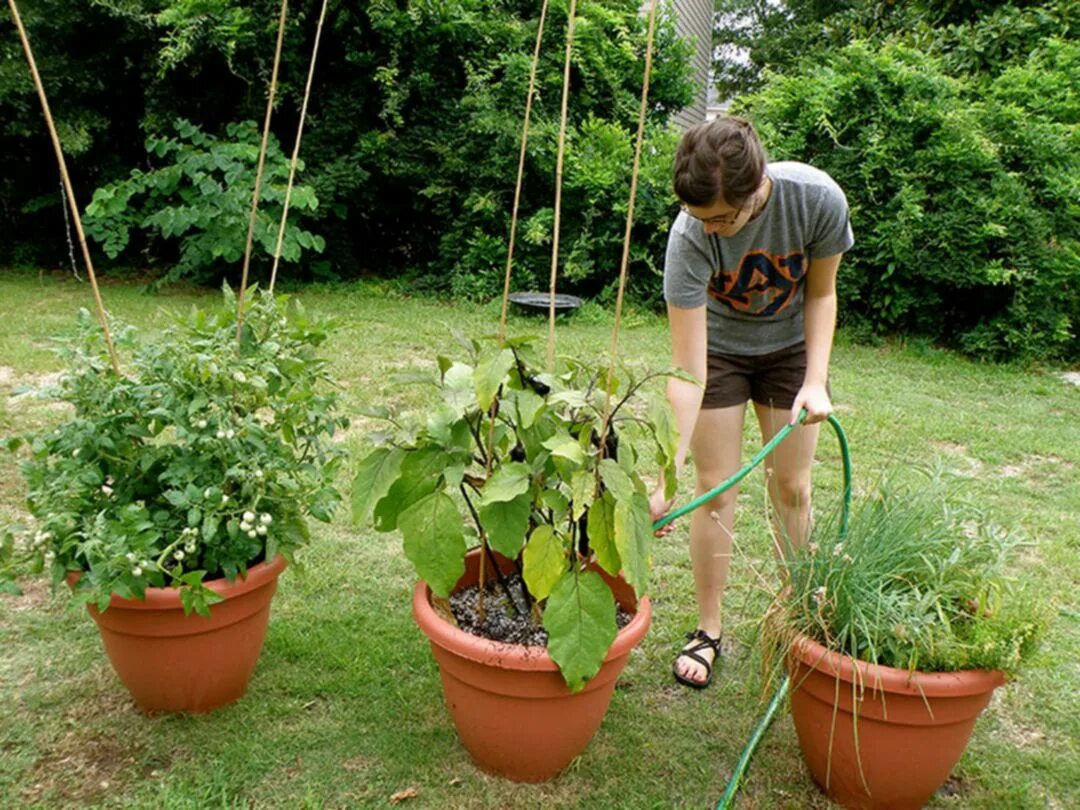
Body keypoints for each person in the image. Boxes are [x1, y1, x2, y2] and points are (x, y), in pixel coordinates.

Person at [650, 116, 853, 689]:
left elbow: (822, 292)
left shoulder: (816, 200)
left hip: (790, 348)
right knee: (715, 488)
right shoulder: (689, 237)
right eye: (700, 218)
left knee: (792, 486)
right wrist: (666, 474)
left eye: (721, 219)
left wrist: (815, 380)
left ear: (757, 187)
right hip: (720, 352)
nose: (711, 231)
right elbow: (687, 369)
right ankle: (709, 629)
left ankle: (800, 618)